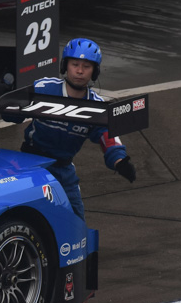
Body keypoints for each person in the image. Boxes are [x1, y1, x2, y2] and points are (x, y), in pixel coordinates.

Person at [18, 38, 136, 220]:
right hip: (30, 164)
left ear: (95, 71)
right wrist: (9, 101)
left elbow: (108, 137)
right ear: (65, 66)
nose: (80, 71)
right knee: (25, 214)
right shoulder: (44, 88)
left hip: (63, 169)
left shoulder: (96, 106)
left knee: (76, 220)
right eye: (75, 65)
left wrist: (120, 161)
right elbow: (12, 112)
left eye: (86, 66)